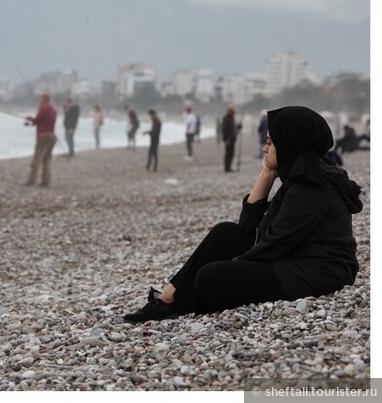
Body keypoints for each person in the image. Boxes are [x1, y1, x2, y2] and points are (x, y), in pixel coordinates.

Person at [124, 106, 362, 323]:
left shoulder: (311, 188)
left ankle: (175, 303)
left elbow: (274, 244)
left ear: (290, 143)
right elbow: (249, 226)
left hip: (317, 271)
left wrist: (230, 266)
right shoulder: (298, 177)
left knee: (210, 277)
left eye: (270, 142)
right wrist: (267, 174)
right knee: (224, 233)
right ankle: (167, 299)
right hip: (296, 255)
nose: (264, 148)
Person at [25, 93, 58, 186]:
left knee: (37, 159)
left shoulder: (43, 108)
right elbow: (44, 122)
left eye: (40, 99)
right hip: (52, 136)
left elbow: (36, 121)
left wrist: (29, 118)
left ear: (44, 99)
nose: (39, 101)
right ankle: (46, 181)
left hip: (43, 136)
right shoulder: (53, 110)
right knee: (46, 160)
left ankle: (31, 181)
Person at [221, 106, 240, 172]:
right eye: (233, 111)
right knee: (228, 153)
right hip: (228, 139)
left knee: (231, 153)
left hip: (232, 139)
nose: (234, 113)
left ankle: (229, 167)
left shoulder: (231, 118)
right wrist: (226, 139)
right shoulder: (226, 118)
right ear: (229, 111)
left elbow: (234, 128)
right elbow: (224, 129)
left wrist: (239, 126)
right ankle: (227, 168)